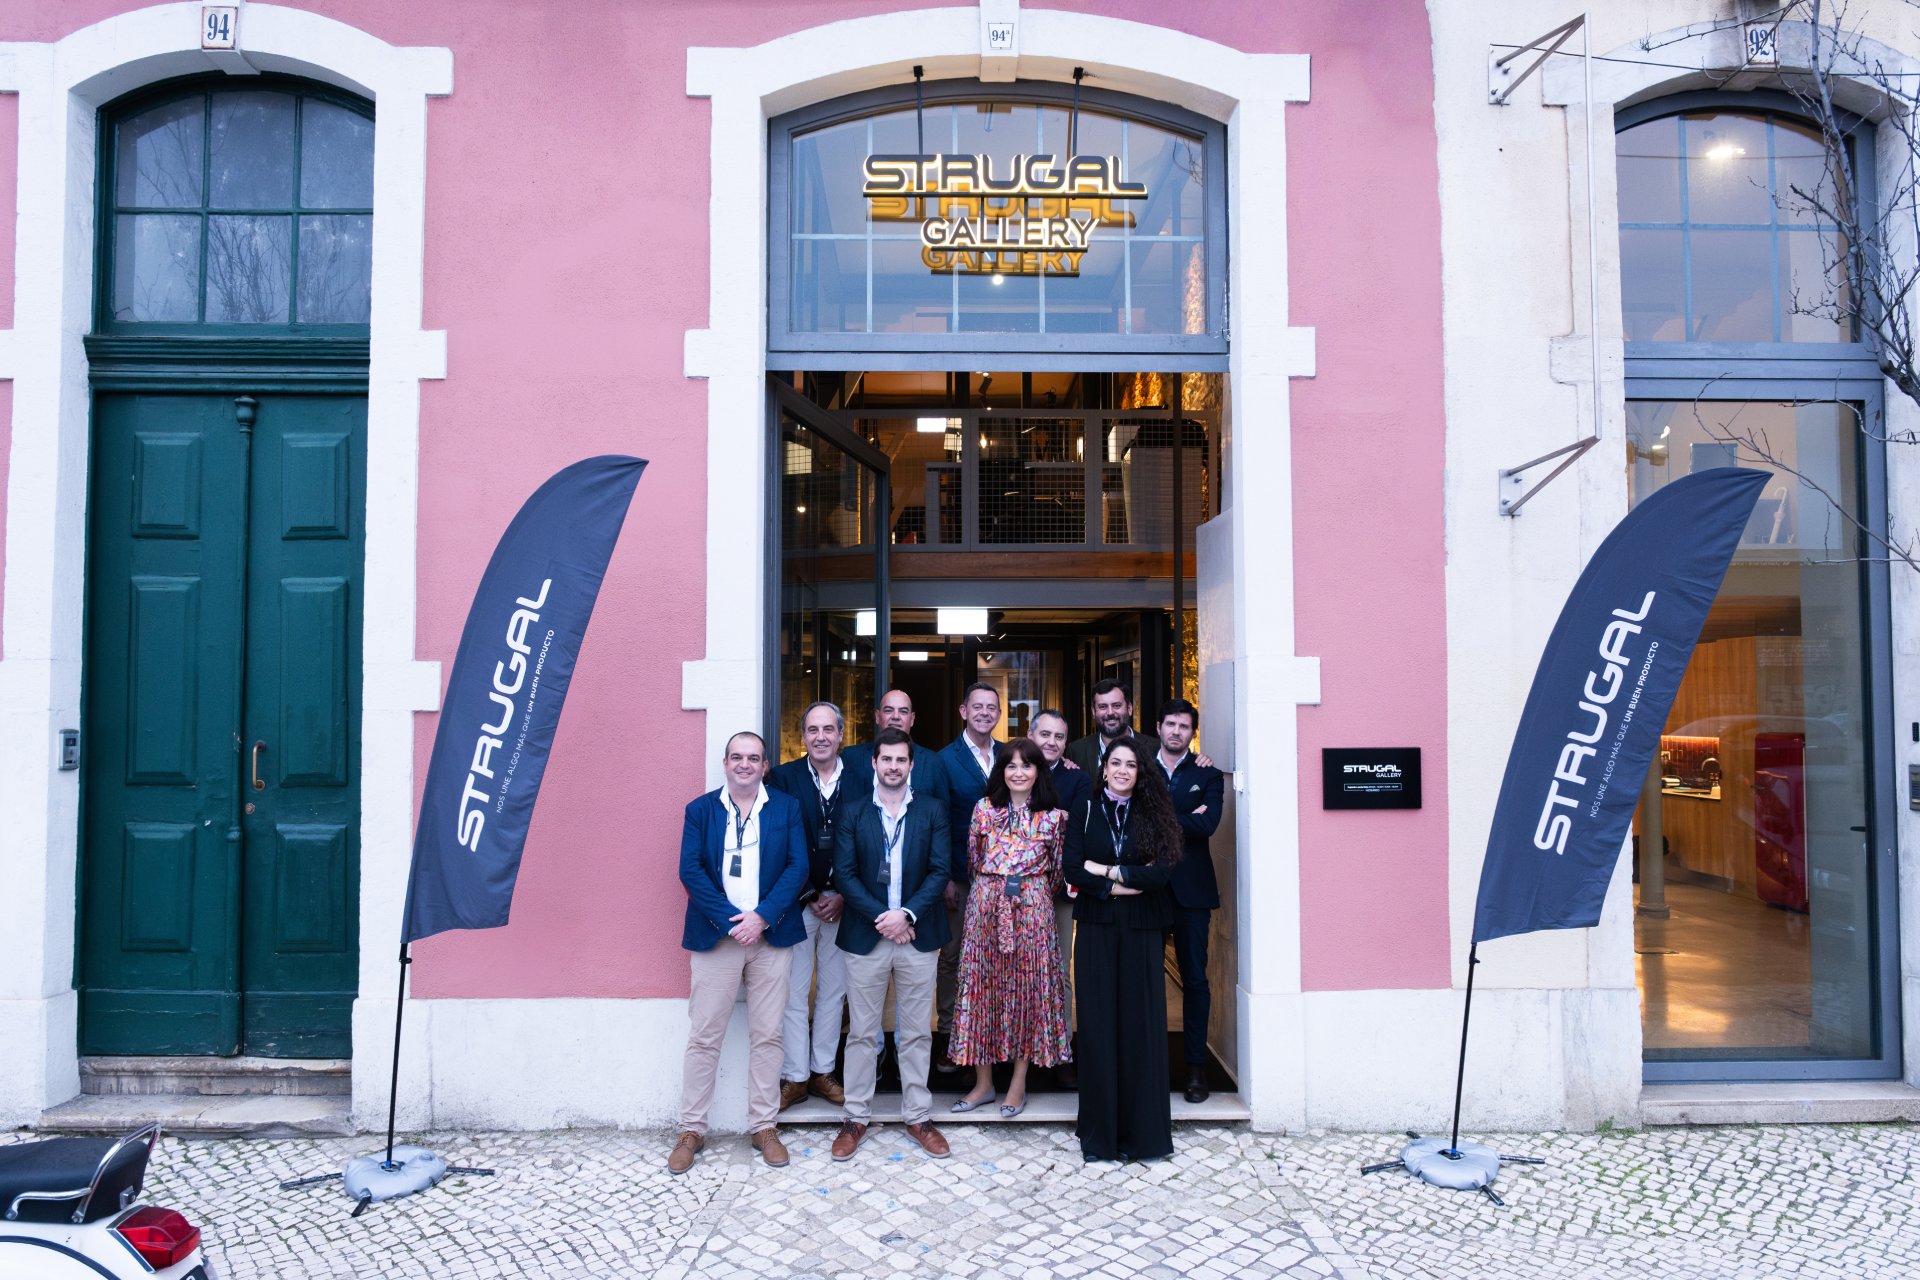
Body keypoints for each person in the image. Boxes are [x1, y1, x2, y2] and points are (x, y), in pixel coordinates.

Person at [669, 731, 811, 1175]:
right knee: (704, 1036)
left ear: (765, 765)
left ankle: (764, 1126)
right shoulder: (700, 810)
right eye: (737, 757)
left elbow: (798, 867)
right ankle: (692, 1129)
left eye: (753, 758)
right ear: (725, 763)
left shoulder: (786, 807)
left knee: (768, 1035)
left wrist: (762, 917)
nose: (745, 764)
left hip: (771, 937)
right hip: (717, 938)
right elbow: (690, 870)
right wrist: (733, 920)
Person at [829, 728, 953, 1161]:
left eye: (901, 760)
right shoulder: (853, 812)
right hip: (868, 935)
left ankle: (918, 1116)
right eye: (887, 759)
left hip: (918, 935)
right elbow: (844, 874)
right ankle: (855, 1118)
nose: (894, 766)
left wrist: (908, 915)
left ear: (911, 764)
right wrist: (885, 918)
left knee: (916, 1032)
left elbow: (940, 871)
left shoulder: (933, 810)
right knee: (862, 1033)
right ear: (874, 763)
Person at [1063, 735, 1179, 1162]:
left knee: (1140, 1027)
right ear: (1104, 767)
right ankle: (1100, 1138)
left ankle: (1143, 1137)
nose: (1123, 771)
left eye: (1131, 764)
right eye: (1116, 763)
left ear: (1140, 771)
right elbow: (1073, 868)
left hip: (1142, 928)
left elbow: (1161, 874)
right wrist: (1124, 882)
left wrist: (1107, 872)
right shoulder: (1085, 808)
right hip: (1096, 926)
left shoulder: (1154, 812)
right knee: (1098, 1027)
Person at [947, 738, 1072, 1118]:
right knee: (980, 990)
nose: (1018, 773)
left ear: (1038, 771)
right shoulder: (984, 810)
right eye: (1011, 765)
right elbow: (972, 860)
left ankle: (1018, 1084)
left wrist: (1029, 896)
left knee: (1027, 992)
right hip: (985, 906)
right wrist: (995, 890)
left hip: (1033, 912)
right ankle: (983, 1083)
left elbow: (1056, 871)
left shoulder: (1053, 818)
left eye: (1026, 765)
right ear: (1001, 771)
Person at [766, 701, 855, 1111]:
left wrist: (843, 894)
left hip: (844, 903)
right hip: (799, 902)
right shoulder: (784, 778)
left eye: (828, 729)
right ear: (803, 736)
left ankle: (822, 1072)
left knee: (834, 992)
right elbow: (776, 843)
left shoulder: (862, 779)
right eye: (813, 730)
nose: (821, 737)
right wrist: (811, 895)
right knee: (794, 992)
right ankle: (796, 1076)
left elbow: (868, 840)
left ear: (841, 734)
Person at [1155, 698, 1225, 1104]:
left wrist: (1160, 821)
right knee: (1146, 978)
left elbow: (1208, 823)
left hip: (1192, 891)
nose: (1176, 731)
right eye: (1171, 724)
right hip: (1147, 889)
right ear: (1159, 728)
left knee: (1195, 979)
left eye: (1184, 726)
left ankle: (1196, 1067)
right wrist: (1186, 819)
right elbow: (1132, 821)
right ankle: (1147, 1063)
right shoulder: (1140, 768)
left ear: (1192, 732)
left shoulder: (1208, 773)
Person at [935, 683, 1003, 1063]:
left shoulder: (1010, 755)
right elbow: (939, 821)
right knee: (953, 956)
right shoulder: (944, 760)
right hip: (960, 876)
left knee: (996, 956)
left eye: (991, 707)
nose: (984, 713)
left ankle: (990, 1033)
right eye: (977, 706)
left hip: (1002, 878)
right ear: (963, 711)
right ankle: (949, 1033)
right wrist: (945, 876)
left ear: (998, 713)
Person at [1031, 708, 1090, 1088]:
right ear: (1031, 735)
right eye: (1045, 734)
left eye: (1059, 736)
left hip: (1060, 891)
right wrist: (1056, 817)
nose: (1051, 742)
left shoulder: (1077, 778)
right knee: (1019, 971)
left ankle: (1061, 1051)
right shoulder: (1015, 768)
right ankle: (1020, 1052)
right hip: (1020, 892)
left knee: (1058, 970)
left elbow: (1078, 826)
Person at [843, 689, 952, 809]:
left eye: (903, 711)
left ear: (912, 719)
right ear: (877, 716)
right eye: (888, 710)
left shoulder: (933, 762)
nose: (895, 716)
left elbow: (943, 812)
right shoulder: (851, 757)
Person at [1065, 679, 1134, 775]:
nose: (1110, 713)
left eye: (1116, 705)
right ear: (1093, 712)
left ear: (1129, 708)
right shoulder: (1076, 751)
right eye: (1103, 707)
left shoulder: (1153, 748)